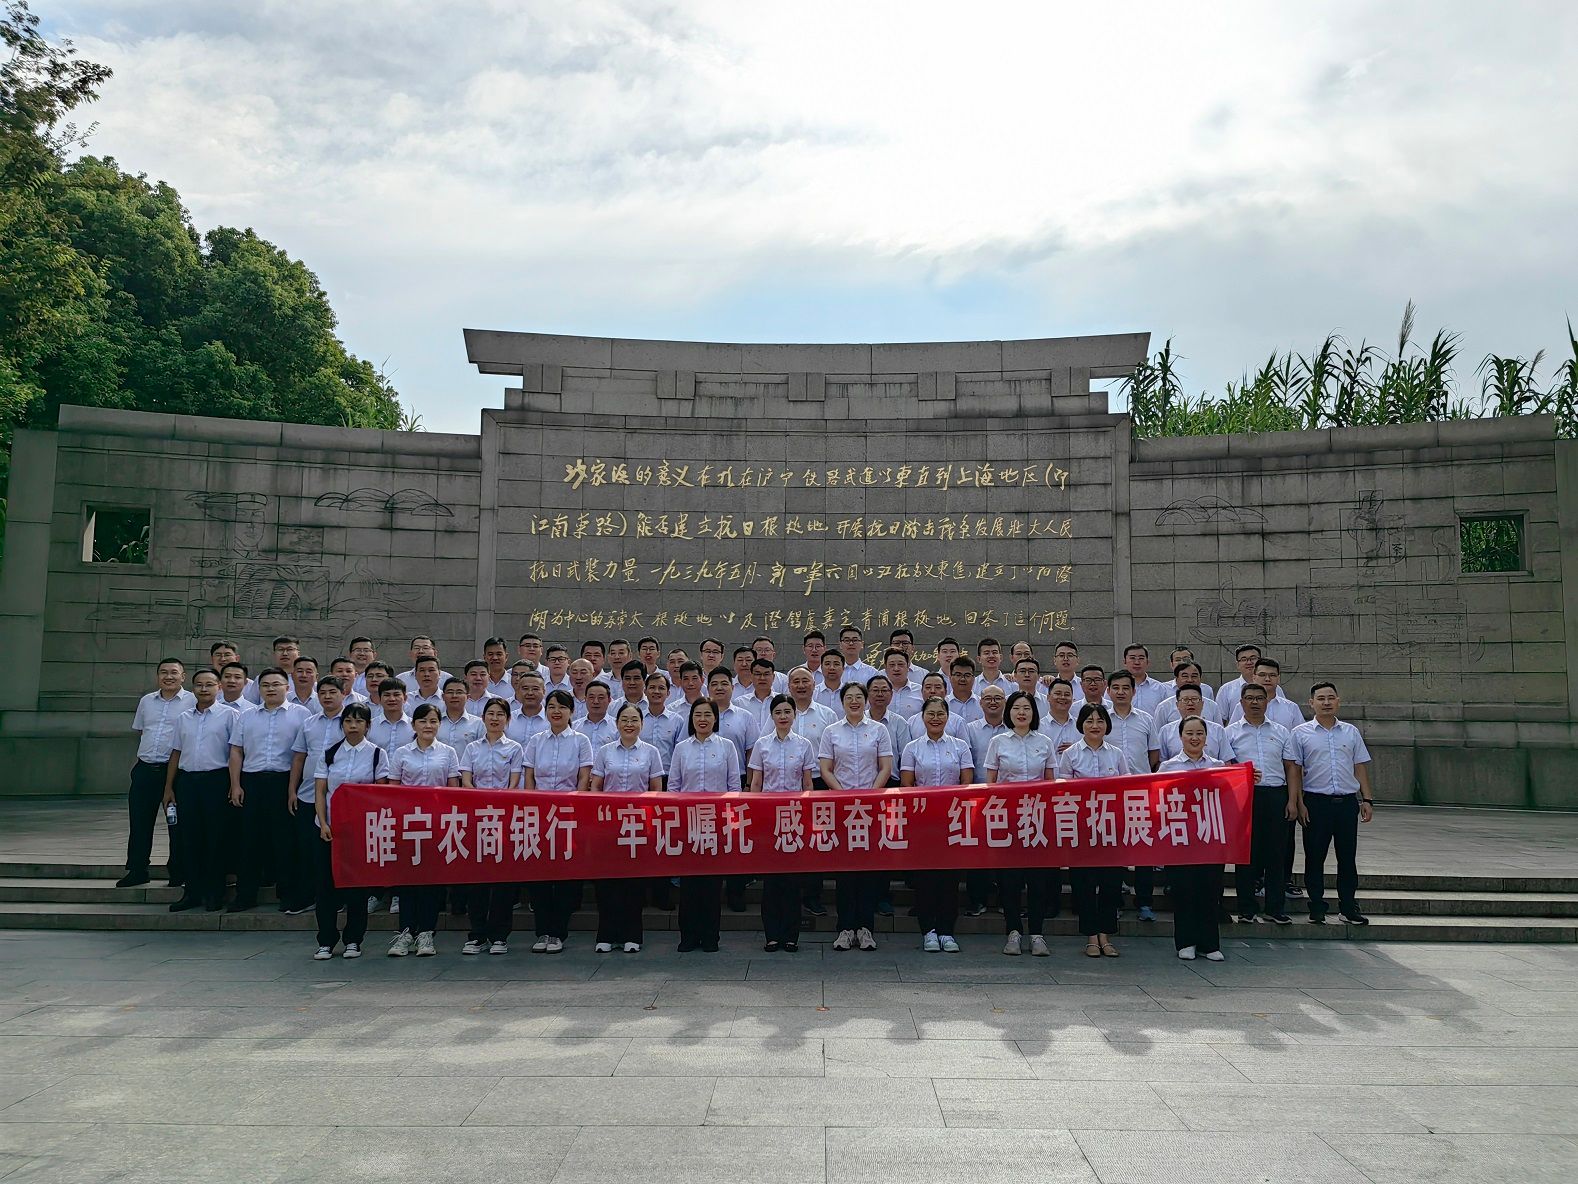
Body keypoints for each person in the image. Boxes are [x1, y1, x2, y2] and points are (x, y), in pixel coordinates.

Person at [226, 668, 311, 913]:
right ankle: (246, 895)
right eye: (265, 685)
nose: (271, 689)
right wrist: (235, 784)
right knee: (249, 839)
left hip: (285, 781)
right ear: (259, 689)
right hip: (251, 781)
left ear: (287, 687)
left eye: (276, 684)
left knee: (285, 840)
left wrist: (293, 788)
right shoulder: (247, 716)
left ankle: (288, 893)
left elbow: (302, 754)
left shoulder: (302, 714)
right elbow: (236, 750)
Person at [818, 681, 894, 952]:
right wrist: (843, 796)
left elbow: (885, 767)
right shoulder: (831, 731)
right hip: (842, 808)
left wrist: (870, 796)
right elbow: (825, 769)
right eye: (848, 697)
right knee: (845, 871)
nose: (854, 701)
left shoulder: (879, 730)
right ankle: (845, 928)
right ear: (842, 702)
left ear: (866, 700)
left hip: (870, 809)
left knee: (868, 870)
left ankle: (865, 928)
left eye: (858, 697)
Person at [1290, 682, 1375, 926]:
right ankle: (1316, 906)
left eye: (1330, 698)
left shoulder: (1350, 732)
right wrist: (1298, 803)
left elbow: (1359, 765)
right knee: (1314, 857)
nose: (1326, 702)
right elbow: (1295, 770)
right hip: (1315, 803)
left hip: (1346, 803)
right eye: (1321, 698)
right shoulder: (1300, 733)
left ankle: (1348, 907)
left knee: (1347, 858)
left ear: (1338, 701)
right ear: (1311, 703)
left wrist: (1367, 799)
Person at [381, 703, 461, 957]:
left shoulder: (448, 753)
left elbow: (453, 790)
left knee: (431, 881)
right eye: (423, 721)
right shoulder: (401, 753)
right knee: (407, 880)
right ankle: (405, 932)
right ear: (413, 725)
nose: (428, 725)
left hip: (436, 824)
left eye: (433, 721)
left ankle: (426, 933)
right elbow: (393, 790)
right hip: (408, 824)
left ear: (440, 725)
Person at [984, 691, 1058, 957]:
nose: (1021, 713)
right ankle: (1013, 931)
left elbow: (1050, 782)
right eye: (1016, 708)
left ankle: (1037, 934)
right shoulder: (998, 742)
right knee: (1010, 881)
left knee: (1038, 881)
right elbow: (991, 784)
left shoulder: (1045, 742)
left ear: (1034, 712)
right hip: (1009, 820)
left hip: (1037, 820)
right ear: (1009, 712)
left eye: (1026, 708)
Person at [1056, 702, 1131, 958]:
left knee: (1111, 884)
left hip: (1110, 828)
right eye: (1089, 721)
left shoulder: (1116, 754)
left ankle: (1106, 935)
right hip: (1082, 829)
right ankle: (1090, 935)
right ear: (1081, 725)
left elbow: (1126, 787)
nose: (1095, 725)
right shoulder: (1070, 754)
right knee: (1084, 884)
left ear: (1107, 725)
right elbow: (1064, 791)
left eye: (1100, 721)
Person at [521, 690, 594, 952]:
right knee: (540, 876)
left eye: (562, 707)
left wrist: (574, 806)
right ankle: (542, 932)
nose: (556, 711)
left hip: (568, 816)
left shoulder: (581, 740)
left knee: (565, 876)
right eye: (551, 706)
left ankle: (558, 931)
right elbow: (529, 777)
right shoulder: (536, 741)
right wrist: (532, 807)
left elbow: (583, 777)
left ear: (571, 711)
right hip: (540, 815)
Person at [900, 697, 974, 953]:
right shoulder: (912, 748)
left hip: (952, 820)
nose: (935, 718)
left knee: (949, 879)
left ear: (947, 717)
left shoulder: (960, 746)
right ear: (923, 717)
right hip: (923, 821)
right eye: (930, 714)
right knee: (925, 878)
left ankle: (947, 931)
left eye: (940, 713)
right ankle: (928, 930)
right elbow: (907, 785)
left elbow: (966, 783)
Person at [589, 702, 664, 953]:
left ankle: (633, 935)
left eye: (634, 720)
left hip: (638, 825)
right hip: (609, 824)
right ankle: (606, 934)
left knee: (634, 883)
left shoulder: (651, 752)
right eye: (624, 720)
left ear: (642, 724)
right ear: (617, 723)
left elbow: (656, 789)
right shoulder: (605, 751)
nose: (629, 724)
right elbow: (596, 786)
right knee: (607, 881)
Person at [311, 702, 384, 960]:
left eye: (359, 721)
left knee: (357, 888)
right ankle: (326, 940)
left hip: (360, 831)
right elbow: (320, 791)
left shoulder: (377, 754)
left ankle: (353, 939)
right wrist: (323, 822)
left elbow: (380, 794)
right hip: (330, 830)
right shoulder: (330, 753)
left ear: (368, 725)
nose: (353, 726)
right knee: (325, 887)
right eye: (348, 721)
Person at [668, 698, 741, 952]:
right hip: (688, 822)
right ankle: (688, 936)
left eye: (708, 714)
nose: (702, 719)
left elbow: (734, 785)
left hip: (715, 822)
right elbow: (673, 786)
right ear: (691, 718)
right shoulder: (681, 748)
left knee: (711, 884)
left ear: (715, 718)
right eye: (697, 714)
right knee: (689, 884)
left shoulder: (727, 747)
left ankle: (711, 937)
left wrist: (730, 820)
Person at [163, 669, 237, 912]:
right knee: (189, 838)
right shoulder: (183, 717)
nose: (204, 689)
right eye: (199, 685)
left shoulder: (230, 716)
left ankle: (215, 893)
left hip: (217, 780)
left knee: (216, 838)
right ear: (192, 688)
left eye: (209, 684)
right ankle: (192, 892)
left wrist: (234, 784)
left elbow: (236, 752)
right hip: (188, 782)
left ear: (219, 687)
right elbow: (176, 752)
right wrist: (169, 788)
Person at [1226, 683, 1300, 925]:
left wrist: (1292, 801)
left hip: (1276, 795)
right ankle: (1247, 908)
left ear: (1267, 702)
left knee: (1276, 854)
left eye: (1259, 698)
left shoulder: (1281, 731)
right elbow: (1225, 767)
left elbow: (1291, 767)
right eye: (1249, 698)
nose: (1255, 702)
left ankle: (1275, 908)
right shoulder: (1230, 733)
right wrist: (1242, 773)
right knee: (1246, 855)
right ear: (1241, 703)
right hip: (1244, 797)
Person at [747, 694, 816, 952]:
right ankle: (772, 935)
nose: (783, 716)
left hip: (795, 817)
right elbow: (756, 783)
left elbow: (807, 782)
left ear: (794, 715)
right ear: (772, 716)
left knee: (792, 880)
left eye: (787, 711)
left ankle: (790, 935)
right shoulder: (762, 745)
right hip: (768, 817)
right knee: (772, 881)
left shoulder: (804, 745)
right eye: (778, 712)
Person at [119, 657, 194, 889]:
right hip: (144, 769)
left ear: (183, 676)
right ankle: (137, 869)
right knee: (140, 822)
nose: (168, 676)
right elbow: (143, 731)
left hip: (174, 772)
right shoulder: (147, 701)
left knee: (176, 824)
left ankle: (178, 871)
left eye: (174, 672)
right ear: (157, 676)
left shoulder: (192, 701)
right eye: (164, 672)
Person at [1158, 716, 1227, 961]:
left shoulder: (1219, 766)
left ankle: (1210, 944)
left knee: (1209, 890)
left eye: (1199, 733)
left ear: (1206, 737)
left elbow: (1230, 797)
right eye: (1189, 733)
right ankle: (1186, 942)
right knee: (1184, 890)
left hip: (1210, 837)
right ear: (1180, 737)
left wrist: (1249, 779)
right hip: (1181, 839)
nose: (1195, 738)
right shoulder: (1168, 767)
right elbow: (1159, 802)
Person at [460, 698, 525, 956]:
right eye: (490, 714)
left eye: (500, 714)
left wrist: (498, 804)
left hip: (504, 819)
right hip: (477, 819)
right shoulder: (471, 748)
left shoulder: (515, 748)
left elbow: (515, 783)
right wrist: (480, 802)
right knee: (476, 880)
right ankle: (476, 934)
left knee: (503, 881)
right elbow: (466, 781)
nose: (495, 718)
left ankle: (499, 936)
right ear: (483, 718)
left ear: (508, 720)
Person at [286, 676, 353, 915]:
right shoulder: (309, 723)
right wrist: (292, 790)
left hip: (339, 797)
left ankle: (339, 898)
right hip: (307, 794)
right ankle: (309, 896)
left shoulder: (352, 721)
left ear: (343, 694)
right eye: (322, 692)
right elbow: (299, 757)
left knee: (338, 851)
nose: (327, 696)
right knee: (308, 849)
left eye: (332, 692)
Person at [1158, 686, 1231, 761]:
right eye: (1185, 700)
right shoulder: (1166, 731)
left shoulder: (1218, 730)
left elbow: (1226, 761)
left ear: (1202, 704)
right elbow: (1161, 761)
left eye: (1195, 699)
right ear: (1177, 705)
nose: (1190, 703)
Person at [640, 670, 685, 768]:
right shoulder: (638, 719)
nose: (656, 691)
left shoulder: (677, 721)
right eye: (652, 687)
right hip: (641, 773)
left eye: (661, 688)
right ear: (645, 691)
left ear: (668, 693)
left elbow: (681, 752)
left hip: (667, 773)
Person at [438, 678, 485, 751]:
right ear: (443, 697)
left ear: (468, 697)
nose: (454, 696)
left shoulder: (478, 724)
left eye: (459, 692)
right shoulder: (435, 722)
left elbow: (482, 750)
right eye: (450, 692)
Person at [1123, 644, 1170, 715]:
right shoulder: (1116, 688)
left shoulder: (1160, 688)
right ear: (1124, 662)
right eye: (1132, 658)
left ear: (1147, 662)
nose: (1137, 662)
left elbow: (1166, 713)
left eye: (1141, 658)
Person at [575, 680, 618, 749]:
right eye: (591, 697)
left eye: (601, 698)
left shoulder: (617, 727)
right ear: (585, 699)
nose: (596, 702)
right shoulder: (574, 727)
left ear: (609, 700)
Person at [945, 657, 984, 724]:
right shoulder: (943, 704)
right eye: (958, 675)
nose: (962, 679)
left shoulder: (983, 704)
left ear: (973, 679)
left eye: (967, 675)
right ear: (950, 677)